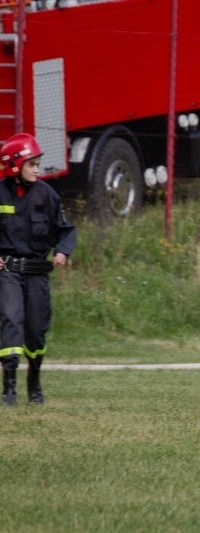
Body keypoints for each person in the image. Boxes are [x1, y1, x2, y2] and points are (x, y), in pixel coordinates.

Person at [0, 132, 77, 406]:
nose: (37, 169)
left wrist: (62, 251)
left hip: (37, 274)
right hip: (7, 272)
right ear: (14, 165)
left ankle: (34, 383)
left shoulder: (48, 195)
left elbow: (65, 230)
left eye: (37, 163)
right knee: (10, 320)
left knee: (36, 330)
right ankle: (8, 389)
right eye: (31, 164)